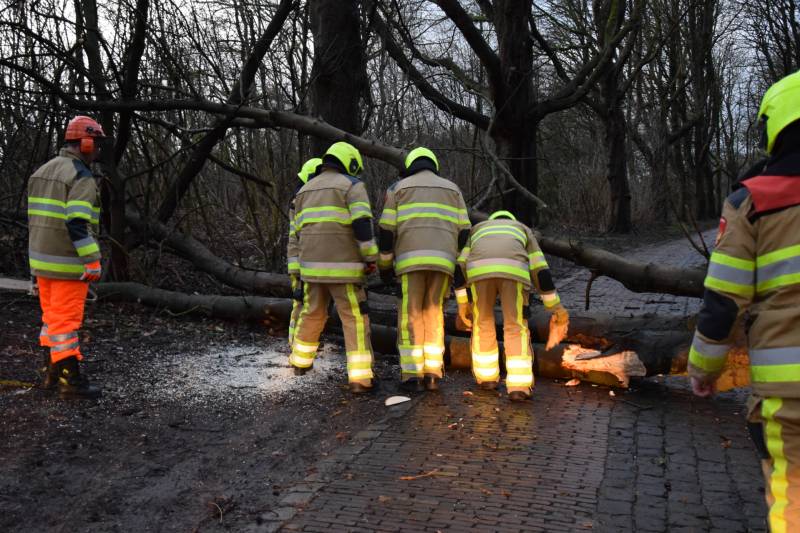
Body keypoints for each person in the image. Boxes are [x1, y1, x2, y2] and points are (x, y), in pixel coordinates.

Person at [688, 70, 800, 531]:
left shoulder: (753, 202)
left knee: (792, 496)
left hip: (790, 392)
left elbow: (723, 302)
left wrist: (703, 369)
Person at [377, 147, 471, 391]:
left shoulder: (398, 189)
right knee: (434, 314)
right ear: (434, 165)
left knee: (410, 316)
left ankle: (411, 374)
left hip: (410, 263)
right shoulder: (453, 189)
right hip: (443, 264)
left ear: (410, 166)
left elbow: (386, 230)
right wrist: (458, 263)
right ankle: (432, 373)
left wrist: (385, 266)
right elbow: (465, 231)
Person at [288, 142, 377, 394]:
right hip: (344, 270)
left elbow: (297, 234)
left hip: (311, 270)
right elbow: (362, 224)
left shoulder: (303, 191)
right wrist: (370, 257)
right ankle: (361, 378)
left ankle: (300, 363)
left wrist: (299, 269)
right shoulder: (352, 186)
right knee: (354, 318)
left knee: (312, 313)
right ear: (349, 163)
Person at [27, 115, 105, 399]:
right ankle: (70, 382)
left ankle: (51, 373)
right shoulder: (80, 176)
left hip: (41, 261)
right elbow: (77, 223)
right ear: (85, 143)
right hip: (66, 263)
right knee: (66, 324)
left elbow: (36, 220)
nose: (98, 150)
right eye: (96, 144)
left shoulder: (42, 171)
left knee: (52, 320)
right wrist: (92, 259)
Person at [457, 210, 569, 401]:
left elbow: (460, 265)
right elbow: (539, 269)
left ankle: (486, 378)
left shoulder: (477, 229)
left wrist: (463, 302)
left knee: (482, 323)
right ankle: (519, 387)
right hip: (514, 273)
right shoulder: (523, 229)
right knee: (515, 326)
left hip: (479, 273)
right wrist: (555, 306)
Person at [287, 157, 322, 346]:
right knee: (301, 304)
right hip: (300, 261)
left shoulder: (300, 199)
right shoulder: (301, 201)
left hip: (301, 260)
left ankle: (299, 342)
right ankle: (295, 343)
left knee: (303, 304)